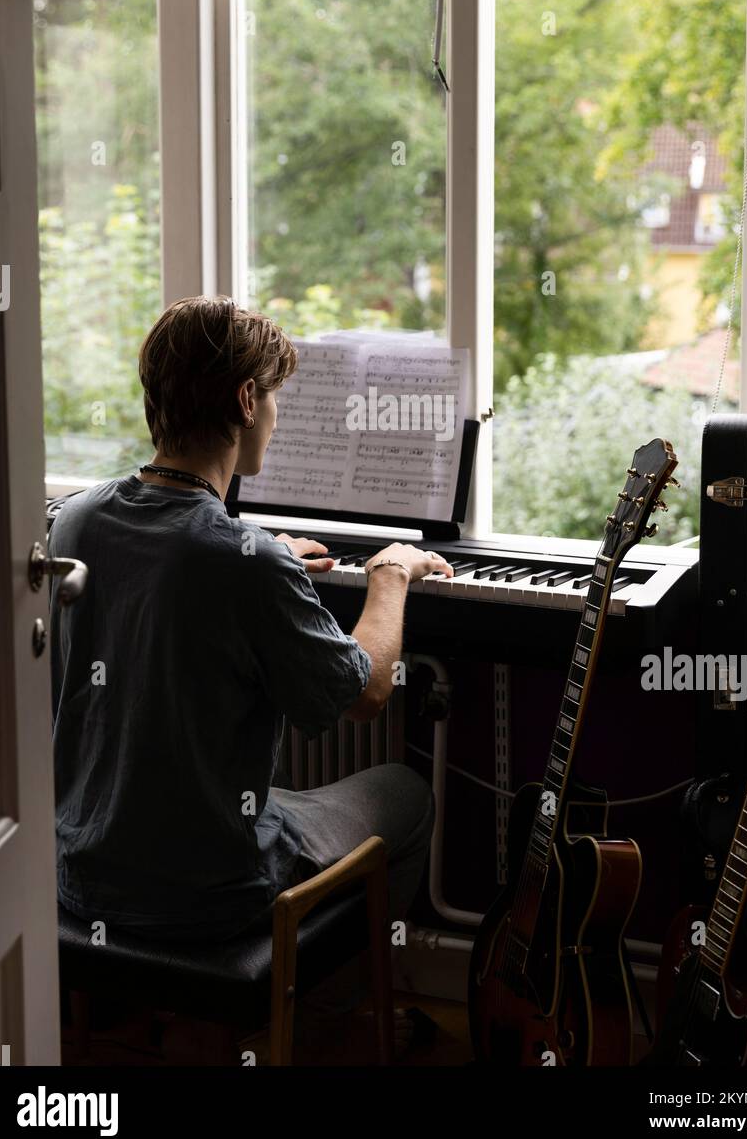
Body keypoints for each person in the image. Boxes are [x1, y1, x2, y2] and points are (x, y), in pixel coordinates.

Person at [49, 296, 452, 960]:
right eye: (272, 397)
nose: (274, 414)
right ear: (244, 399)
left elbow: (171, 561)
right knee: (404, 793)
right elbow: (369, 694)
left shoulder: (75, 519)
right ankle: (323, 1009)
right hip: (209, 896)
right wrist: (390, 575)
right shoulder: (247, 562)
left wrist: (260, 555)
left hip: (83, 871)